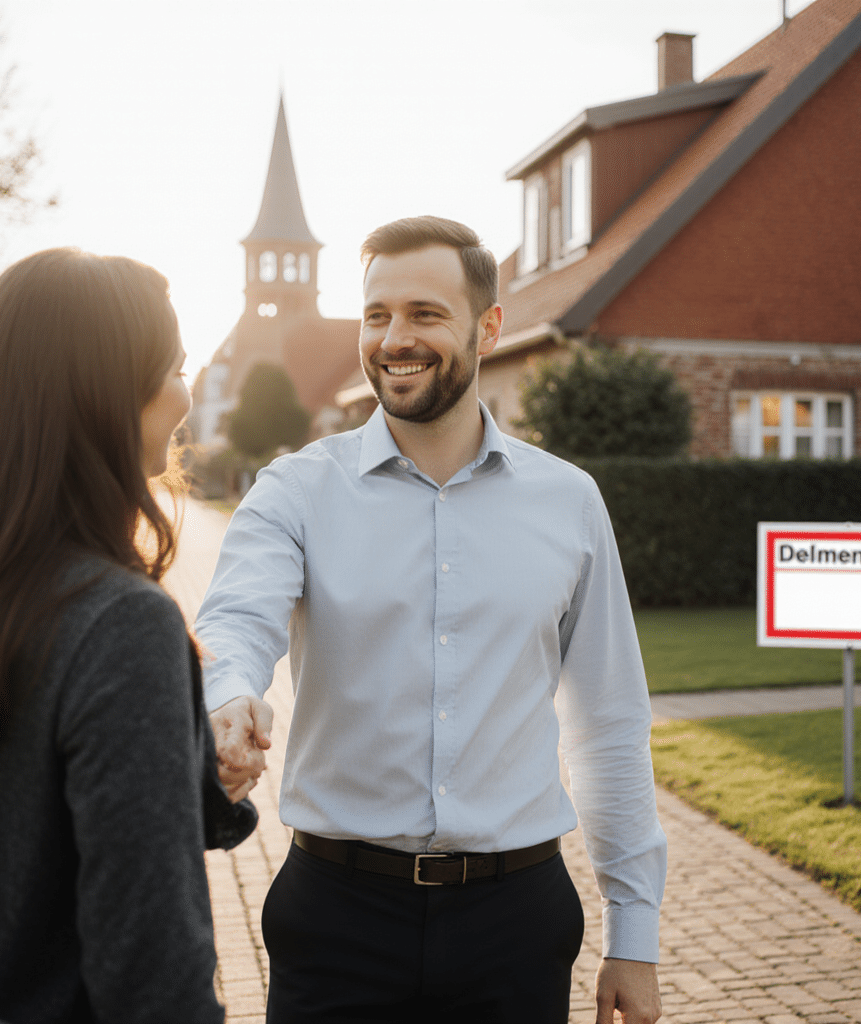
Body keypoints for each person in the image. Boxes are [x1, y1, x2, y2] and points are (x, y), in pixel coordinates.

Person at [196, 216, 667, 1024]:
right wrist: (231, 695)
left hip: (515, 924)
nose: (393, 338)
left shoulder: (569, 502)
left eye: (423, 313)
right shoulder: (295, 490)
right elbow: (235, 619)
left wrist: (636, 933)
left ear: (489, 327)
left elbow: (609, 725)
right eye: (377, 315)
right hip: (336, 918)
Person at [0, 248, 256, 1023]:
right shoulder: (119, 622)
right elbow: (151, 976)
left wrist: (181, 770)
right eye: (177, 367)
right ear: (110, 391)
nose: (186, 394)